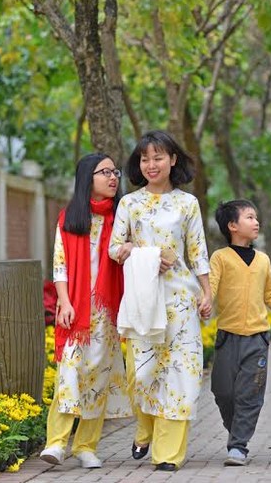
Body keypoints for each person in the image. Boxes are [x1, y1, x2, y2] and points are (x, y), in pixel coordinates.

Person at [109, 130, 212, 472]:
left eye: (158, 157)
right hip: (143, 299)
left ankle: (168, 454)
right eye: (144, 159)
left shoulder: (187, 204)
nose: (151, 165)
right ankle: (145, 427)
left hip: (181, 300)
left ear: (173, 160)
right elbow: (114, 248)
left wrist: (207, 293)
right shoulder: (129, 203)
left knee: (182, 374)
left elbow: (198, 253)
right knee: (142, 374)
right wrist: (146, 253)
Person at [40, 152, 132, 469]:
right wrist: (64, 301)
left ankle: (86, 446)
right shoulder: (69, 219)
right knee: (69, 374)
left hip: (106, 314)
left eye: (114, 172)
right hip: (76, 311)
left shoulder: (121, 219)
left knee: (98, 378)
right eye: (104, 172)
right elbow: (60, 265)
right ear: (86, 179)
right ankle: (56, 443)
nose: (112, 177)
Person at [208, 199, 271, 466]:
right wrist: (203, 302)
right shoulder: (220, 258)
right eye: (250, 217)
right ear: (233, 226)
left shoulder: (263, 260)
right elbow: (210, 289)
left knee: (250, 394)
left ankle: (238, 445)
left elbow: (270, 295)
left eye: (256, 217)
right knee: (223, 392)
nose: (256, 222)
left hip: (257, 339)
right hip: (227, 337)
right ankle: (237, 429)